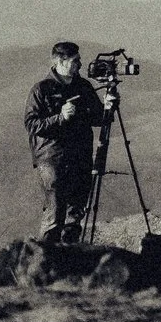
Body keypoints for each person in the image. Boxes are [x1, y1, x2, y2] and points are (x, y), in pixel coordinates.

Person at [23, 40, 118, 243]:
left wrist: (108, 108)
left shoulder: (83, 87)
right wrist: (60, 117)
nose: (80, 65)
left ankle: (69, 255)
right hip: (52, 159)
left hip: (80, 157)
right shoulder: (41, 90)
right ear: (60, 61)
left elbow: (98, 119)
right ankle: (46, 257)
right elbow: (31, 125)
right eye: (75, 61)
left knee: (75, 213)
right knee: (55, 213)